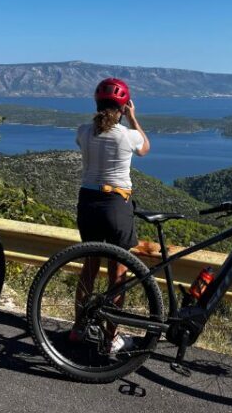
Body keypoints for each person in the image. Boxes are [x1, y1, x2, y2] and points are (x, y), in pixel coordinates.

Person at [72, 77, 150, 353]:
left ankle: (78, 328)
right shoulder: (128, 135)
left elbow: (91, 139)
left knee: (89, 268)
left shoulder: (83, 131)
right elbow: (145, 149)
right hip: (116, 205)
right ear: (123, 106)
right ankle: (110, 339)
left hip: (88, 203)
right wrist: (133, 118)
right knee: (117, 275)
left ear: (96, 103)